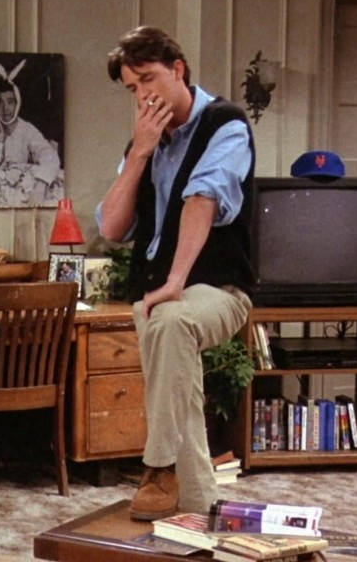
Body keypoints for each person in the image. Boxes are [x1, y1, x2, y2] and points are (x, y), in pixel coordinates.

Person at [96, 25, 255, 520]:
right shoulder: (143, 142)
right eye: (132, 88)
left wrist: (174, 281)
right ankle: (200, 510)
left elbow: (202, 200)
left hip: (218, 290)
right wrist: (139, 154)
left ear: (178, 70)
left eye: (148, 79)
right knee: (181, 399)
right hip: (157, 295)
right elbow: (112, 227)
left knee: (171, 320)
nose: (142, 95)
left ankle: (158, 468)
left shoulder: (225, 124)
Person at [0, 77, 62, 206]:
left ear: (17, 104)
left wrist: (41, 184)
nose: (5, 108)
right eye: (0, 102)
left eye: (10, 102)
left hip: (21, 188)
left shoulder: (27, 129)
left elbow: (49, 155)